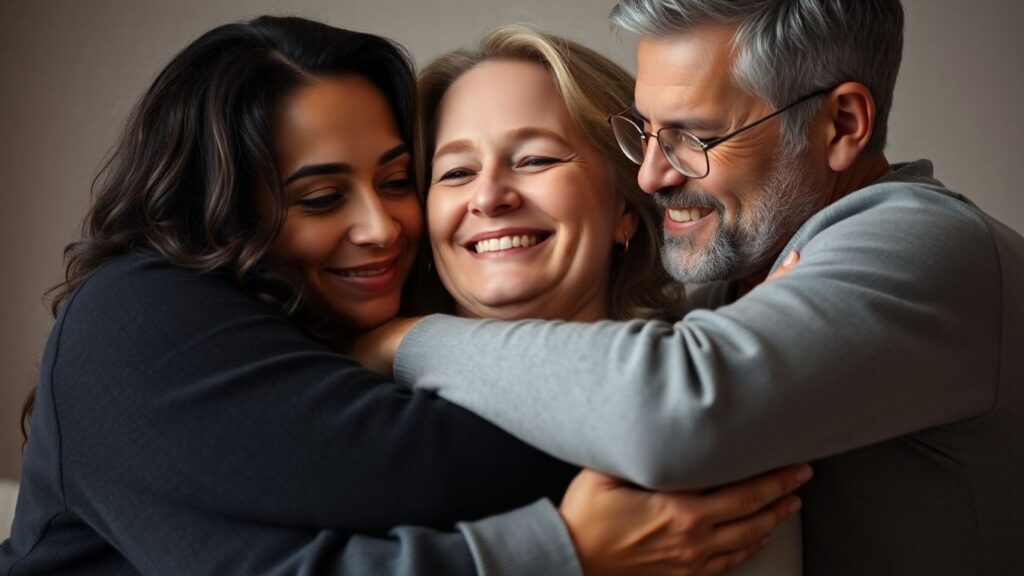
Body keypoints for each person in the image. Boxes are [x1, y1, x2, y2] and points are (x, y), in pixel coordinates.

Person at [0, 15, 806, 576]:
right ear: (222, 209)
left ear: (627, 207)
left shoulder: (354, 341)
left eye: (395, 180)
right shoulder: (138, 317)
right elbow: (425, 464)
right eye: (321, 197)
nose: (382, 227)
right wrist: (724, 377)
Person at [355, 2, 1024, 575]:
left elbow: (676, 404)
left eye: (695, 136)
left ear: (843, 124)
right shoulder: (726, 285)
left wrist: (404, 341)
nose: (651, 176)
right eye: (646, 132)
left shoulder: (931, 245)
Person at [416, 26, 802, 575]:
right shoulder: (352, 408)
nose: (489, 196)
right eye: (456, 172)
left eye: (535, 160)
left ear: (624, 207)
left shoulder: (723, 389)